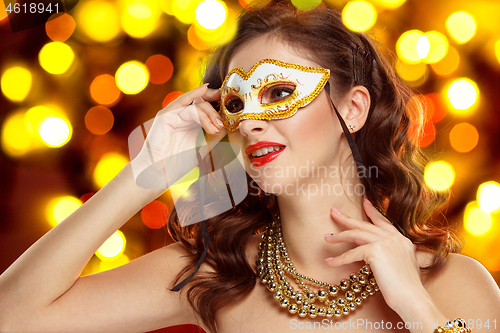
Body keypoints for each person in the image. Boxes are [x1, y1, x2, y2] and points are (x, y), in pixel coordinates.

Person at [1, 1, 499, 332]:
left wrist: (416, 307)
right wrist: (146, 172)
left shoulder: (455, 285)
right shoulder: (215, 275)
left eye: (279, 93)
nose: (254, 121)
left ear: (353, 108)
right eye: (238, 104)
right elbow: (12, 315)